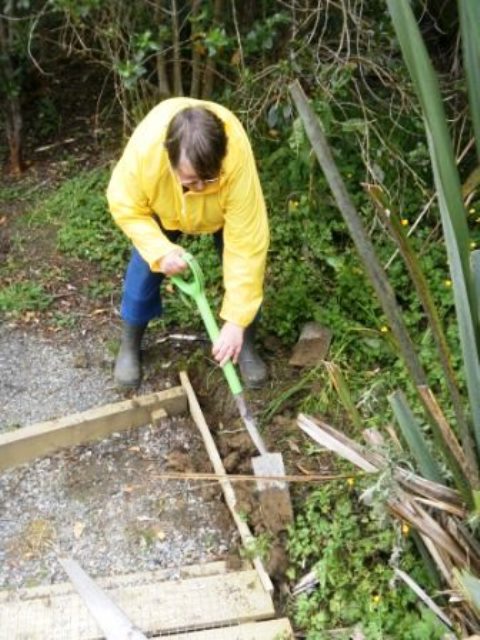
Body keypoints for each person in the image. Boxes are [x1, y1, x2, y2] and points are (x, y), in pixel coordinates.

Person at [107, 97, 269, 389]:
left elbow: (248, 247)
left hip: (221, 214)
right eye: (192, 181)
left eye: (210, 179)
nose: (201, 188)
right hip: (164, 209)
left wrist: (235, 321)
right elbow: (125, 206)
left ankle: (245, 345)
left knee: (246, 276)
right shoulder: (145, 153)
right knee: (141, 278)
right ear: (169, 161)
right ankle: (129, 346)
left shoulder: (235, 157)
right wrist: (160, 251)